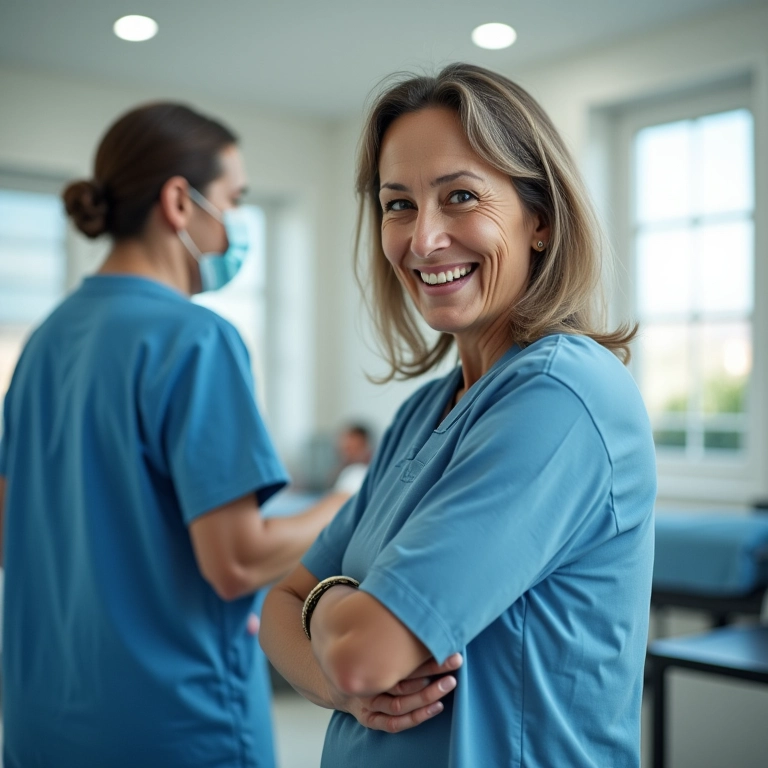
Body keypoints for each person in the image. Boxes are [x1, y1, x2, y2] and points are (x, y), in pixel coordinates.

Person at [259, 63, 657, 768]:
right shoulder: (424, 412)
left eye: (461, 197)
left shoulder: (561, 397)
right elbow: (280, 607)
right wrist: (343, 683)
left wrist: (330, 619)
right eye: (398, 204)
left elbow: (358, 650)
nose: (423, 239)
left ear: (540, 219)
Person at [0, 103, 347, 768]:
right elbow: (236, 562)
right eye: (233, 201)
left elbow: (10, 535)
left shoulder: (46, 341)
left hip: (42, 724)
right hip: (175, 729)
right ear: (179, 202)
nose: (234, 227)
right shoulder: (195, 339)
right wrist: (349, 502)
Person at [331, 422, 374, 494]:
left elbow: (341, 498)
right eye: (345, 448)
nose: (346, 454)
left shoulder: (358, 473)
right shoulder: (345, 471)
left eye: (351, 448)